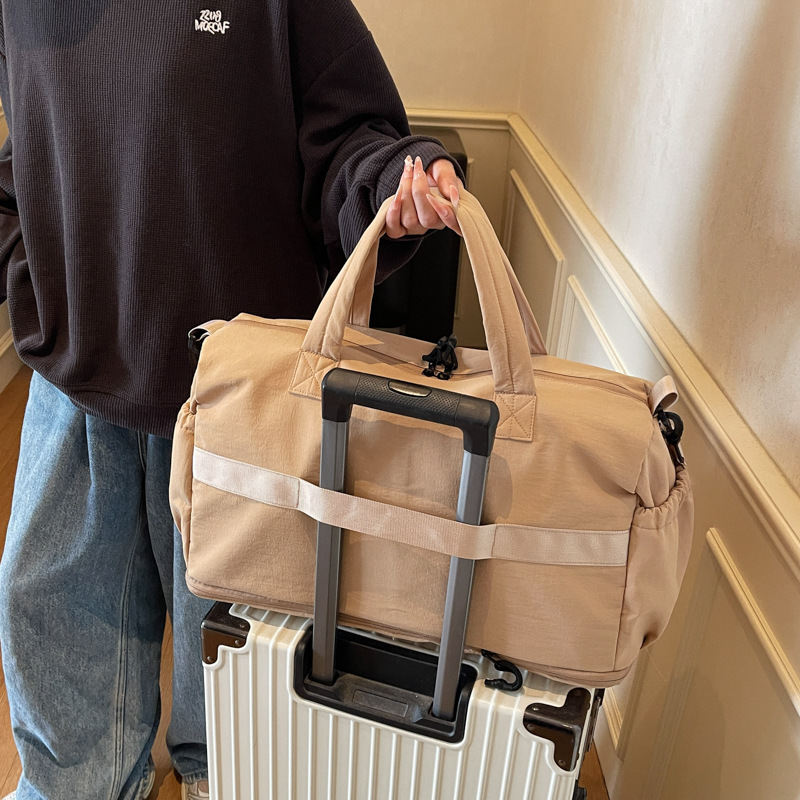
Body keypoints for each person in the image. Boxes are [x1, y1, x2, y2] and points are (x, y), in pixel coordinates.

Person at [0, 1, 463, 798]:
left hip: (239, 399)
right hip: (74, 379)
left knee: (236, 695)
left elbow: (347, 136)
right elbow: (33, 148)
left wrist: (395, 179)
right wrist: (27, 268)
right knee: (49, 634)